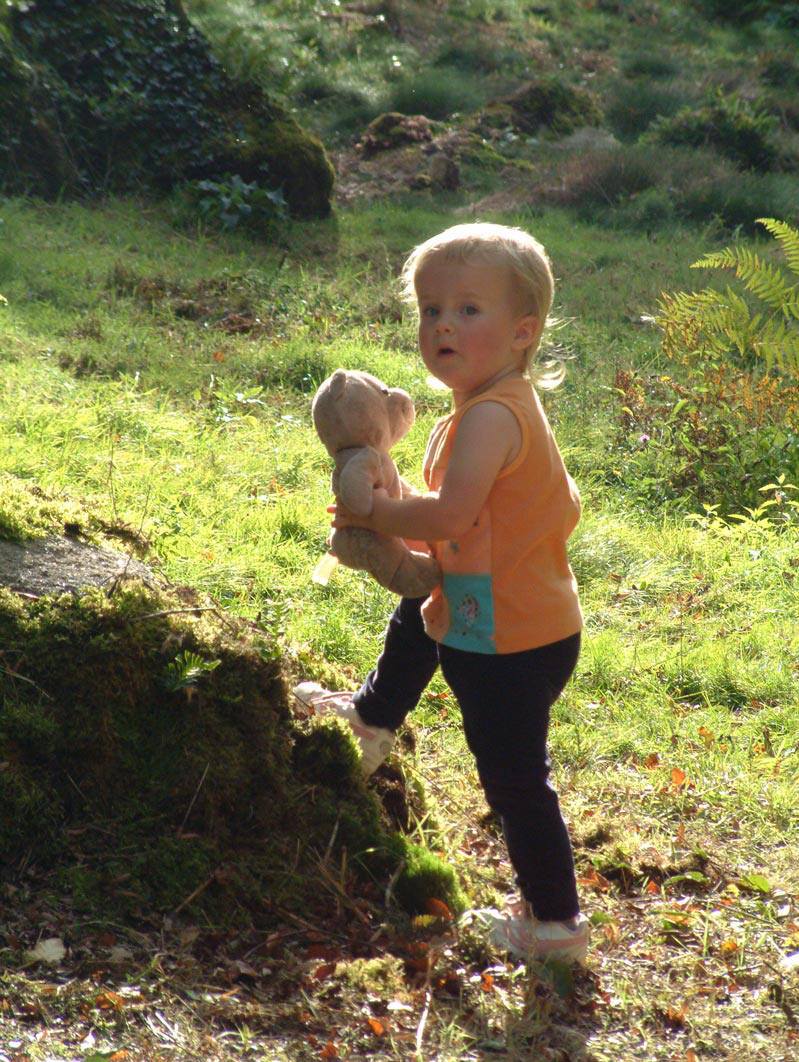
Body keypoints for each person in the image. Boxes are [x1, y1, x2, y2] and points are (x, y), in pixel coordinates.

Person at [295, 222, 588, 964]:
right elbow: (485, 520)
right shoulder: (493, 404)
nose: (442, 326)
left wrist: (375, 515)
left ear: (523, 332)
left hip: (511, 640)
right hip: (504, 611)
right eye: (430, 310)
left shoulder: (492, 417)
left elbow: (452, 516)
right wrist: (408, 527)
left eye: (467, 310)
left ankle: (554, 925)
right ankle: (370, 718)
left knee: (515, 779)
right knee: (417, 616)